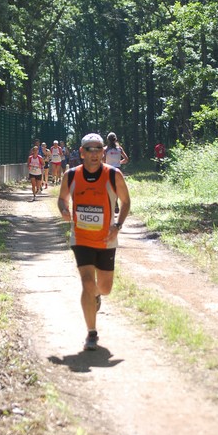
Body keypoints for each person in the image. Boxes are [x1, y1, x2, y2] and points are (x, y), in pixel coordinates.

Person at [58, 133, 131, 351]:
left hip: (106, 239)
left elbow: (126, 202)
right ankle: (92, 332)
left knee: (105, 288)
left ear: (103, 152)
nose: (94, 154)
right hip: (80, 237)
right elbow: (62, 199)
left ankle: (98, 295)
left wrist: (117, 227)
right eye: (89, 149)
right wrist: (63, 210)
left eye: (98, 149)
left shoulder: (113, 175)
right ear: (82, 153)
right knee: (87, 282)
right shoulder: (70, 176)